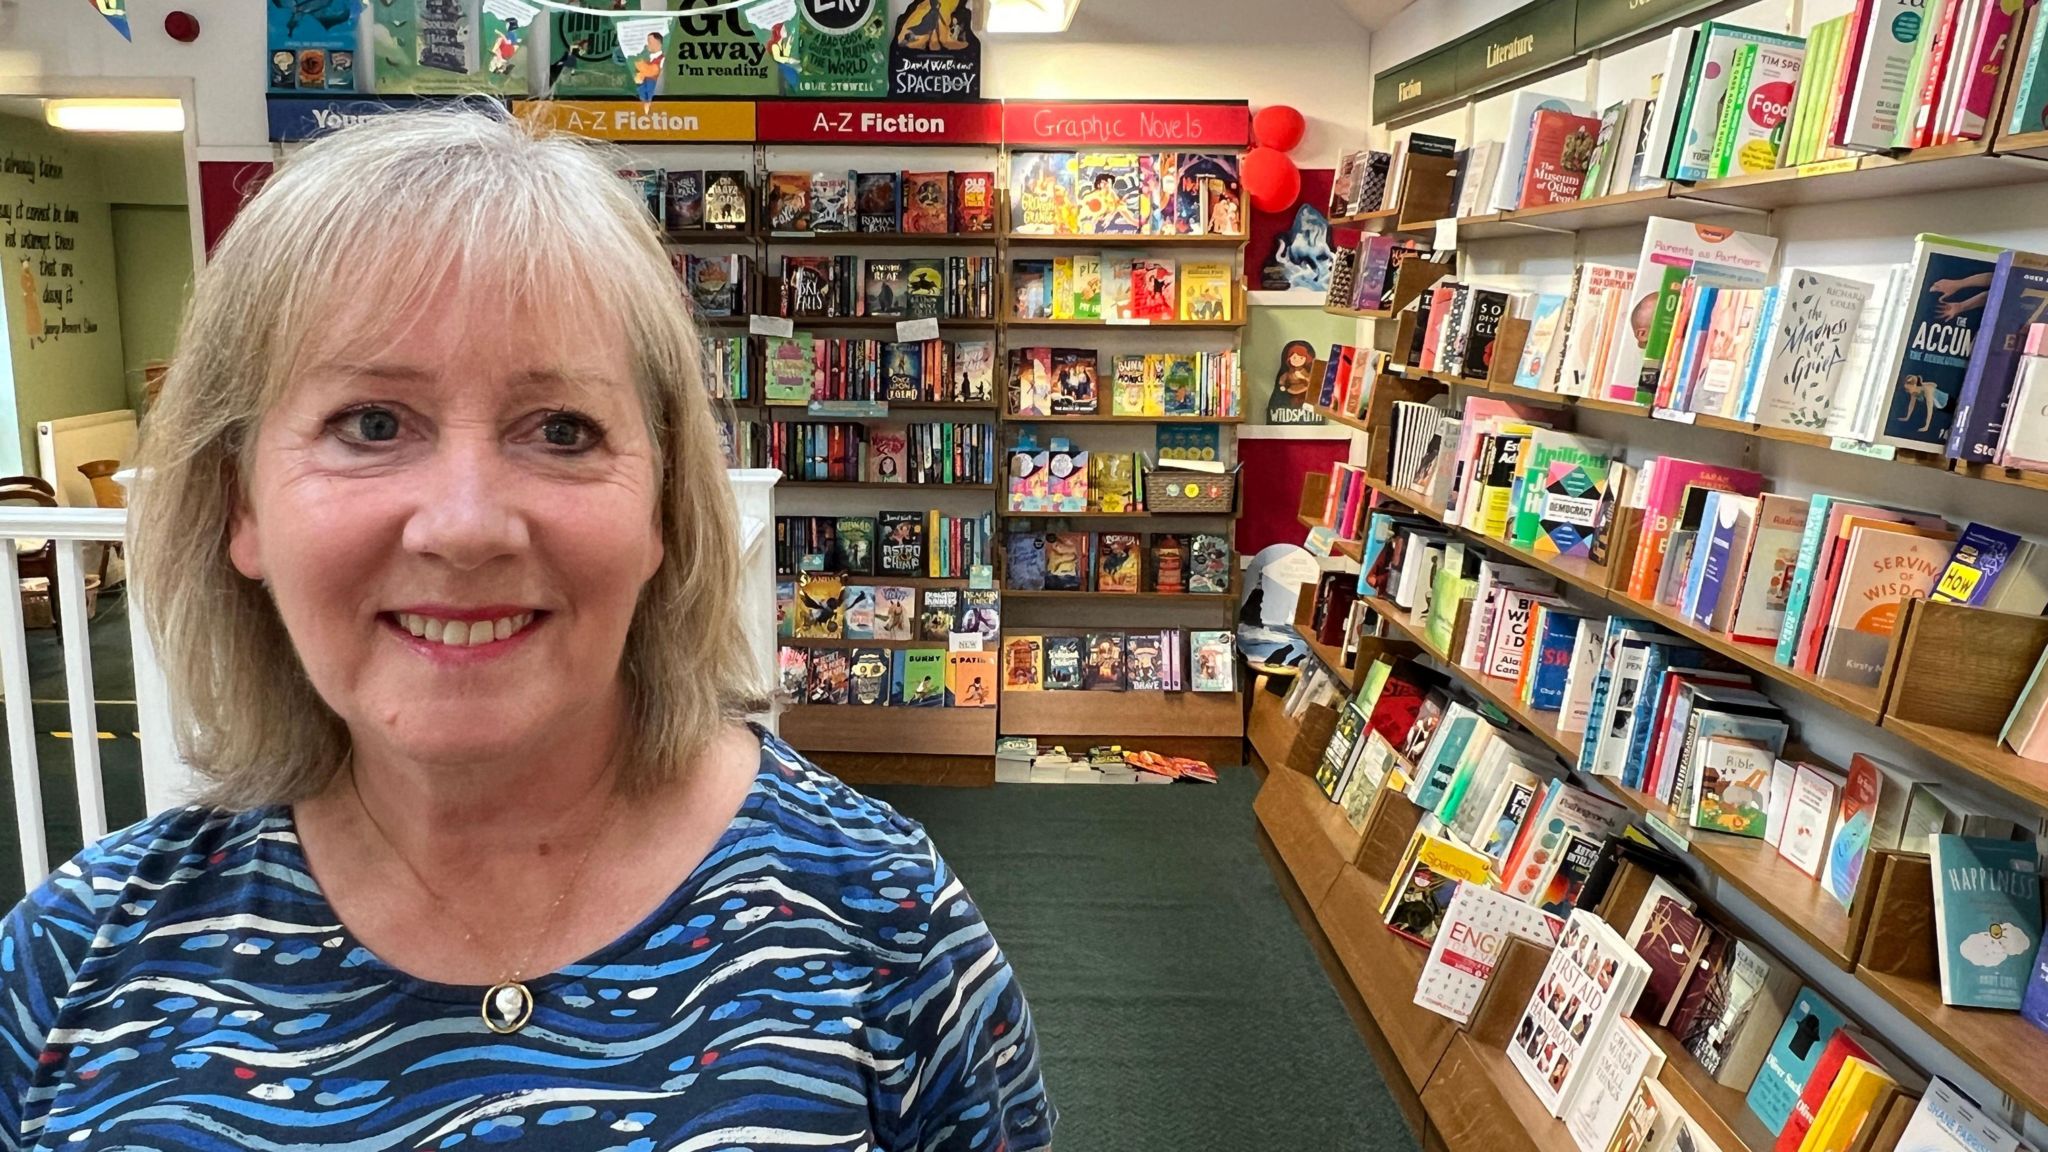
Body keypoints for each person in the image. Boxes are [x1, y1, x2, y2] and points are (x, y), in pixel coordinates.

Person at [0, 109, 1053, 1149]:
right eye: (371, 423)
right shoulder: (73, 965)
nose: (464, 527)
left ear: (661, 512)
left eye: (561, 430)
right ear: (241, 506)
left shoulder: (888, 931)